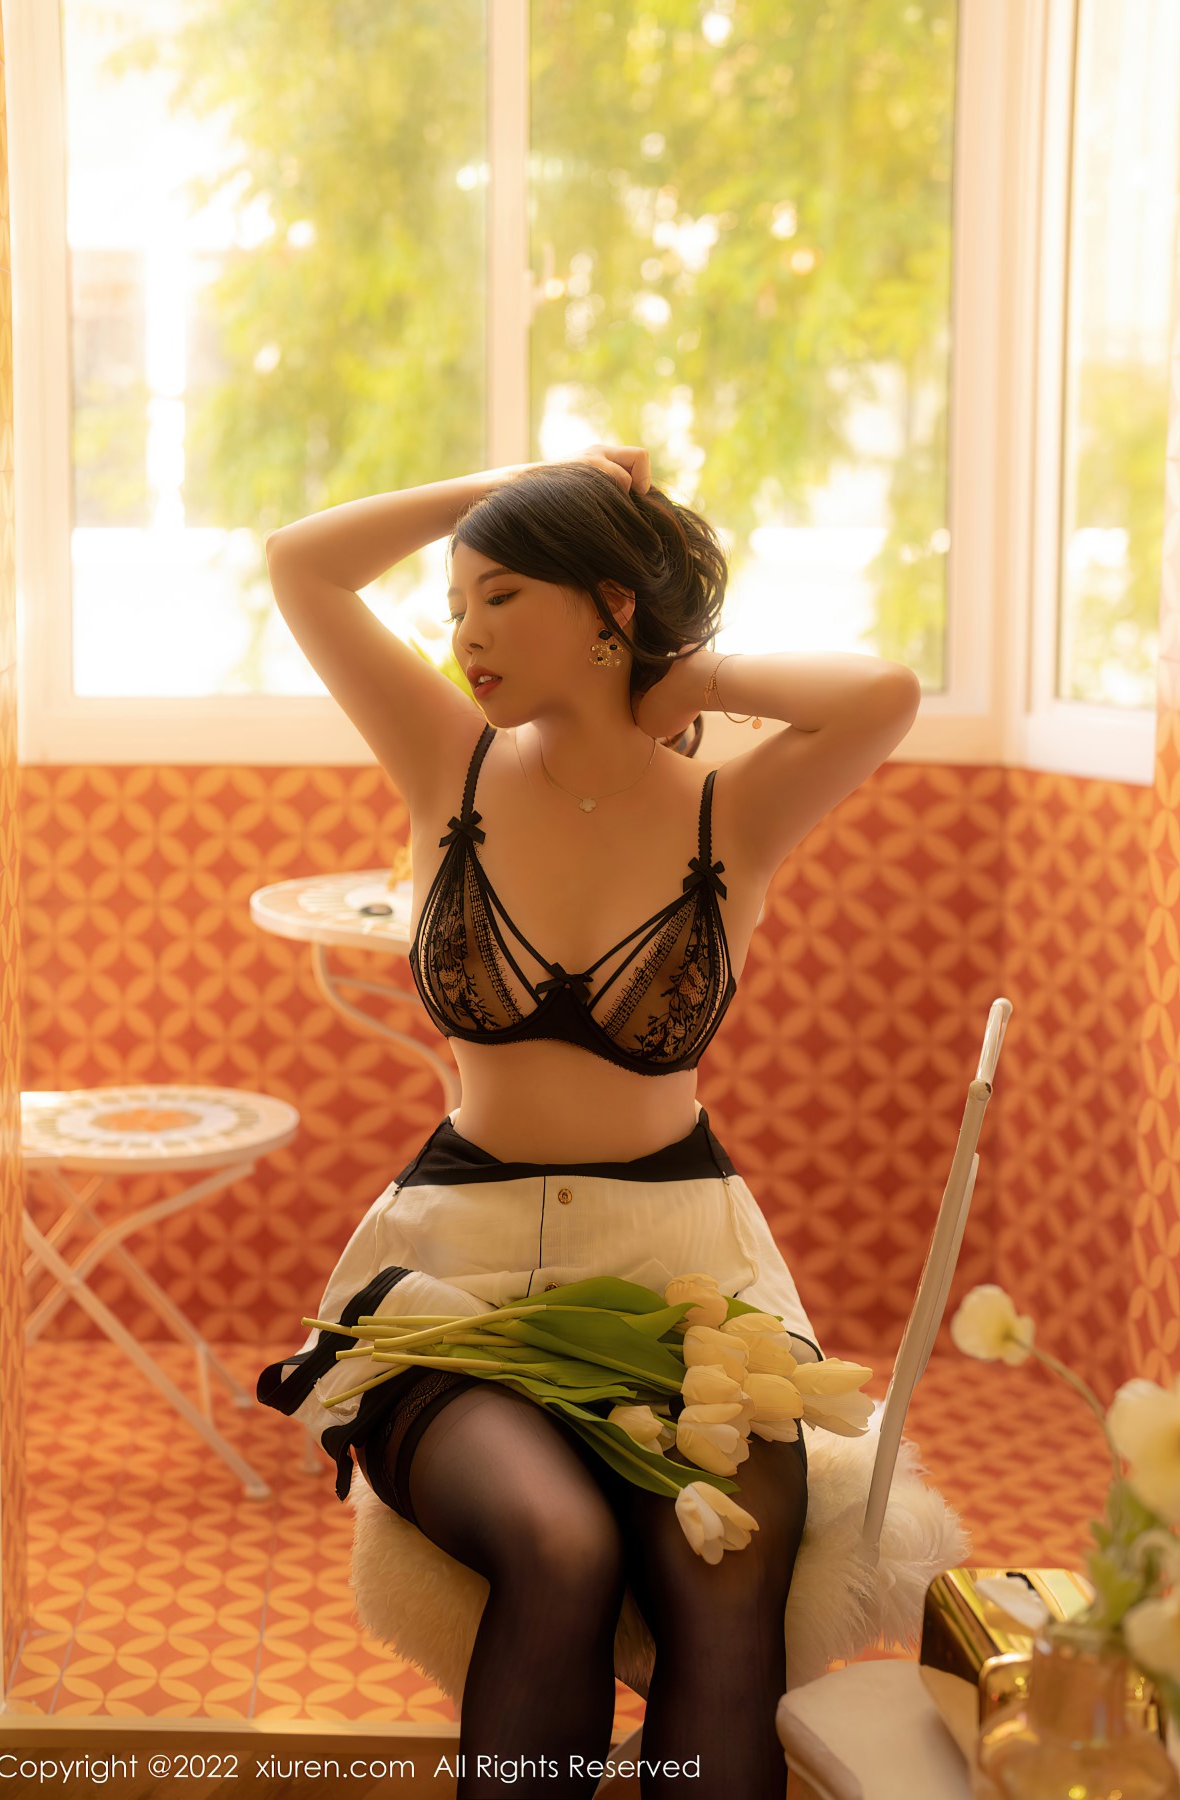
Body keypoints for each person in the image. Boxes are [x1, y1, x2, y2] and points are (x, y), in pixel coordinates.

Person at [256, 444, 921, 1799]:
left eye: (502, 596)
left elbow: (885, 694)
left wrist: (701, 681)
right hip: (460, 1284)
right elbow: (301, 564)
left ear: (611, 605)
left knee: (724, 1577)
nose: (465, 634)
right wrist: (518, 482)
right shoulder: (447, 762)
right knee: (558, 1544)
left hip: (688, 1289)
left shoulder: (733, 813)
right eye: (456, 604)